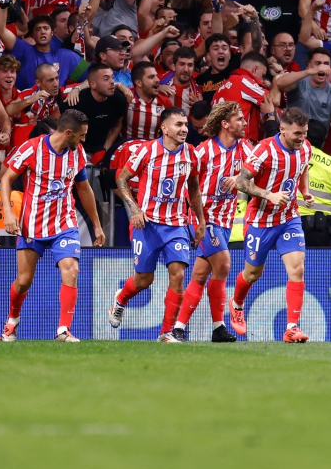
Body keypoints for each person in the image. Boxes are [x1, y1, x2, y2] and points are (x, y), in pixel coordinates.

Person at [0, 109, 106, 342]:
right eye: (81, 135)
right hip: (32, 225)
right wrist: (8, 212)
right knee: (24, 280)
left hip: (64, 223)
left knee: (72, 269)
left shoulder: (77, 152)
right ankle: (12, 321)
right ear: (68, 133)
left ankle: (63, 330)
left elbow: (84, 189)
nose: (84, 140)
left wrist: (97, 225)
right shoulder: (31, 148)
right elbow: (6, 178)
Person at [110, 107, 205, 343]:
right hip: (147, 224)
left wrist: (201, 220)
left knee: (179, 274)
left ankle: (166, 332)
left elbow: (193, 189)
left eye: (185, 124)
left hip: (176, 225)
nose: (184, 129)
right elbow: (121, 178)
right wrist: (134, 208)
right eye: (178, 125)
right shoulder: (146, 151)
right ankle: (121, 299)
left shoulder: (191, 154)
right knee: (144, 280)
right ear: (164, 128)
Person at [228, 107, 315, 343]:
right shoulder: (264, 150)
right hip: (260, 221)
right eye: (298, 133)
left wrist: (305, 192)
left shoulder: (305, 147)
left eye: (305, 133)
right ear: (282, 128)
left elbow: (304, 167)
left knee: (297, 270)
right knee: (253, 273)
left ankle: (292, 328)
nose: (302, 138)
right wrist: (269, 195)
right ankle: (236, 304)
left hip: (289, 218)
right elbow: (242, 182)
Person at [169, 102, 253, 341]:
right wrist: (194, 218)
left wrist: (238, 177)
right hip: (205, 218)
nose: (244, 123)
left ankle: (184, 328)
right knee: (224, 264)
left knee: (200, 276)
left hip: (226, 220)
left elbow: (256, 171)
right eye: (239, 119)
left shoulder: (245, 149)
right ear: (225, 124)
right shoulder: (204, 151)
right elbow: (188, 184)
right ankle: (215, 325)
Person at [61, 63, 129, 162]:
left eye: (112, 77)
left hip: (102, 149)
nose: (112, 82)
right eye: (106, 79)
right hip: (75, 149)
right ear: (92, 84)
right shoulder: (76, 100)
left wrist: (105, 149)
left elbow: (117, 125)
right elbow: (56, 125)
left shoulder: (119, 99)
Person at [211, 52, 270, 142]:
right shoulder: (242, 81)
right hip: (239, 144)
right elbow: (272, 100)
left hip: (220, 142)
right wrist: (277, 82)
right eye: (262, 76)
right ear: (255, 70)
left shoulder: (220, 88)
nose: (262, 81)